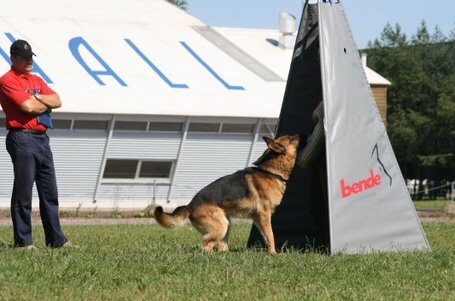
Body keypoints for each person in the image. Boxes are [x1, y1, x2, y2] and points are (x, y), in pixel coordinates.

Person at [0, 39, 74, 249]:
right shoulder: (7, 80)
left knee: (49, 192)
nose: (29, 60)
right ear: (13, 58)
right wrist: (43, 103)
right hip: (22, 138)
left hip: (42, 139)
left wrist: (38, 97)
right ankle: (23, 242)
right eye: (24, 57)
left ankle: (56, 239)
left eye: (31, 57)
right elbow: (27, 107)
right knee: (23, 192)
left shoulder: (36, 80)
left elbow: (57, 100)